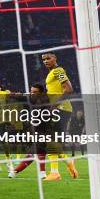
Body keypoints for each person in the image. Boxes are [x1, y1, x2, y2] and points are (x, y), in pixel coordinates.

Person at [40, 53, 78, 181]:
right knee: (52, 141)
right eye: (43, 59)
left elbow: (69, 89)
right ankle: (68, 163)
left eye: (48, 58)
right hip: (57, 109)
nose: (45, 61)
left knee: (51, 140)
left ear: (55, 58)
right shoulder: (51, 73)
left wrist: (54, 105)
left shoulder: (58, 71)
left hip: (61, 108)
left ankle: (55, 172)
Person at [8, 83, 48, 179]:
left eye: (35, 92)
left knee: (36, 151)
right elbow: (15, 96)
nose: (32, 93)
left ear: (41, 93)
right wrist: (13, 94)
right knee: (38, 151)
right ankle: (42, 174)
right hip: (35, 130)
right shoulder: (29, 99)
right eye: (31, 92)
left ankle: (15, 171)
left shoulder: (46, 101)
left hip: (46, 129)